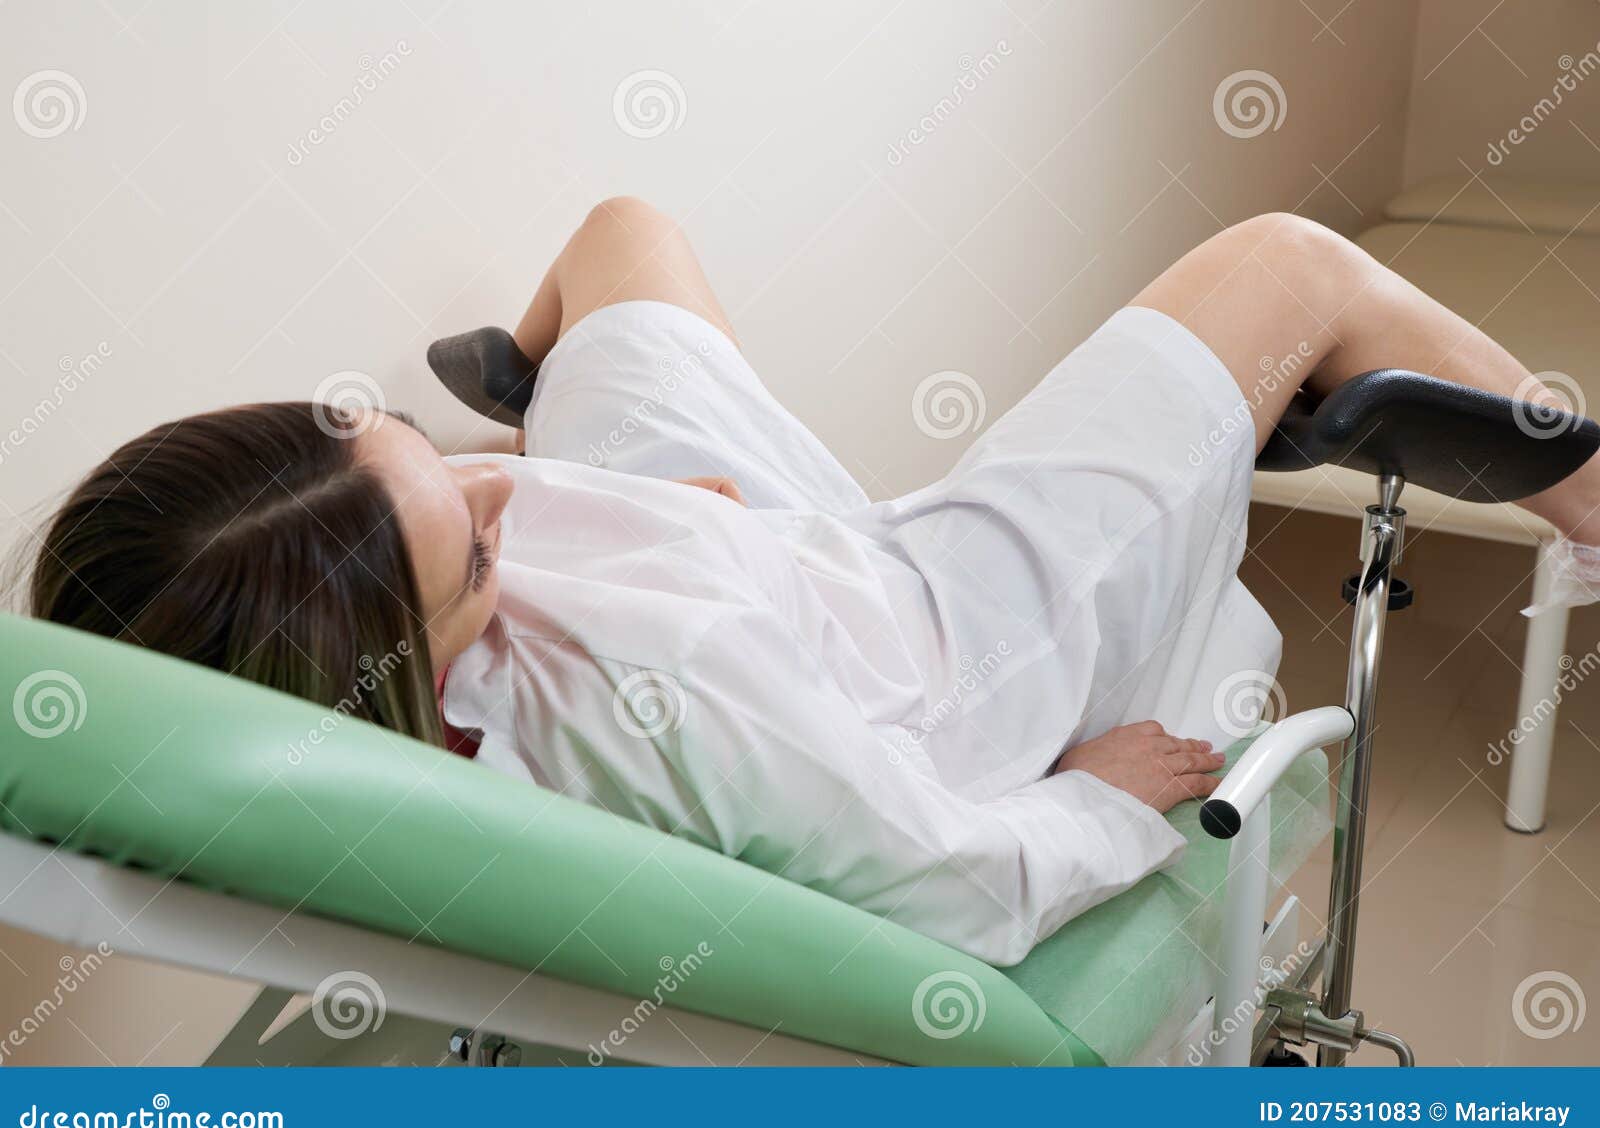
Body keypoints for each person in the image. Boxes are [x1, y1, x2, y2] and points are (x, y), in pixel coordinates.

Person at [29, 199, 1600, 965]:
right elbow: (952, 877)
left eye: (439, 460)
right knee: (1294, 266)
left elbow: (524, 526)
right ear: (417, 665)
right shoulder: (692, 717)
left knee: (621, 232)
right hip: (932, 630)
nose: (514, 494)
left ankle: (482, 469)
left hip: (731, 549)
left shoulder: (341, 626)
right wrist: (1101, 797)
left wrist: (657, 525)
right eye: (475, 548)